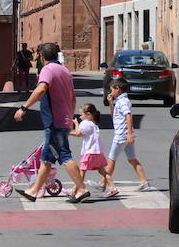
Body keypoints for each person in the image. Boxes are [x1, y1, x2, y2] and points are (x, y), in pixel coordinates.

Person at [12, 42, 88, 203]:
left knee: (65, 155)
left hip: (54, 122)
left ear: (42, 56)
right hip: (62, 121)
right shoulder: (65, 71)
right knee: (46, 160)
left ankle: (81, 188)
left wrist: (23, 108)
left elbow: (41, 89)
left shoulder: (47, 70)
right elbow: (72, 97)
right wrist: (69, 116)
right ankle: (33, 191)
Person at [101, 79, 153, 197]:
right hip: (124, 134)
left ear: (118, 89)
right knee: (132, 159)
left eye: (112, 90)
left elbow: (129, 116)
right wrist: (110, 103)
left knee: (111, 158)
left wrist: (129, 133)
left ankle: (103, 183)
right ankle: (144, 181)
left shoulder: (123, 101)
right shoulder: (119, 101)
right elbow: (114, 115)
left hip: (121, 135)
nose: (111, 92)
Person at [70, 104, 107, 186]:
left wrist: (66, 133)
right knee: (102, 171)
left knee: (82, 171)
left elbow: (78, 133)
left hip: (90, 152)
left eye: (81, 114)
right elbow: (80, 132)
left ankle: (76, 190)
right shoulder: (93, 123)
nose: (80, 117)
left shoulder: (85, 123)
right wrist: (76, 123)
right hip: (97, 151)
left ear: (88, 114)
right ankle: (113, 187)